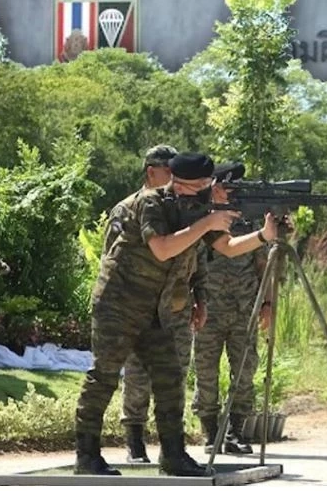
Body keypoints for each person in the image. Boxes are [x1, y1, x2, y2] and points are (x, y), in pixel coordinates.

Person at [74, 152, 278, 476]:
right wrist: (207, 221)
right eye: (202, 185)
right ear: (181, 183)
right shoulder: (151, 202)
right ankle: (86, 457)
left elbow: (227, 247)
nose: (205, 191)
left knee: (170, 379)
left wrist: (264, 236)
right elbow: (163, 248)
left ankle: (173, 457)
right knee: (104, 377)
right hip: (119, 304)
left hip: (155, 309)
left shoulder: (196, 210)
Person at [115, 145, 208, 464]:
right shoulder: (127, 208)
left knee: (176, 377)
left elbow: (197, 258)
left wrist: (201, 299)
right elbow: (113, 262)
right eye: (167, 171)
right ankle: (135, 442)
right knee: (138, 376)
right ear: (150, 172)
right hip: (140, 309)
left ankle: (172, 446)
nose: (173, 177)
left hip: (176, 309)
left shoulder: (185, 210)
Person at [192, 162, 273, 455]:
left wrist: (267, 303)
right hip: (208, 309)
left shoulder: (249, 222)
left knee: (244, 372)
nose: (232, 193)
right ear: (214, 187)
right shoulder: (200, 220)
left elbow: (264, 265)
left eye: (235, 189)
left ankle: (236, 432)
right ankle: (211, 432)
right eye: (227, 187)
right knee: (206, 372)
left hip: (243, 310)